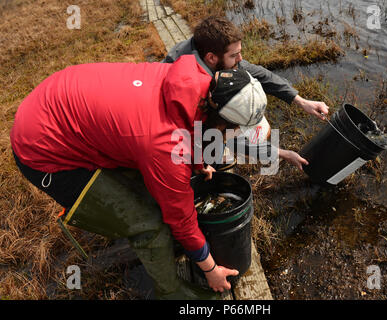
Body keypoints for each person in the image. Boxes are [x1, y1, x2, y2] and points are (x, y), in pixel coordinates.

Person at [10, 56, 268, 299]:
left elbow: (192, 120)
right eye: (233, 130)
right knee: (148, 223)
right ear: (220, 119)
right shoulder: (164, 144)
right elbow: (181, 219)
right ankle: (170, 292)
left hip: (64, 100)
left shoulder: (197, 79)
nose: (230, 135)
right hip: (42, 146)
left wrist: (197, 162)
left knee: (153, 192)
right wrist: (211, 270)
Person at [163, 16, 330, 170]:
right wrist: (282, 154)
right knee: (199, 155)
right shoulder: (191, 92)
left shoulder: (208, 50)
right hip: (170, 136)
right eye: (234, 55)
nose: (240, 59)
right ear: (211, 58)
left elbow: (261, 74)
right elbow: (217, 132)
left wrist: (301, 101)